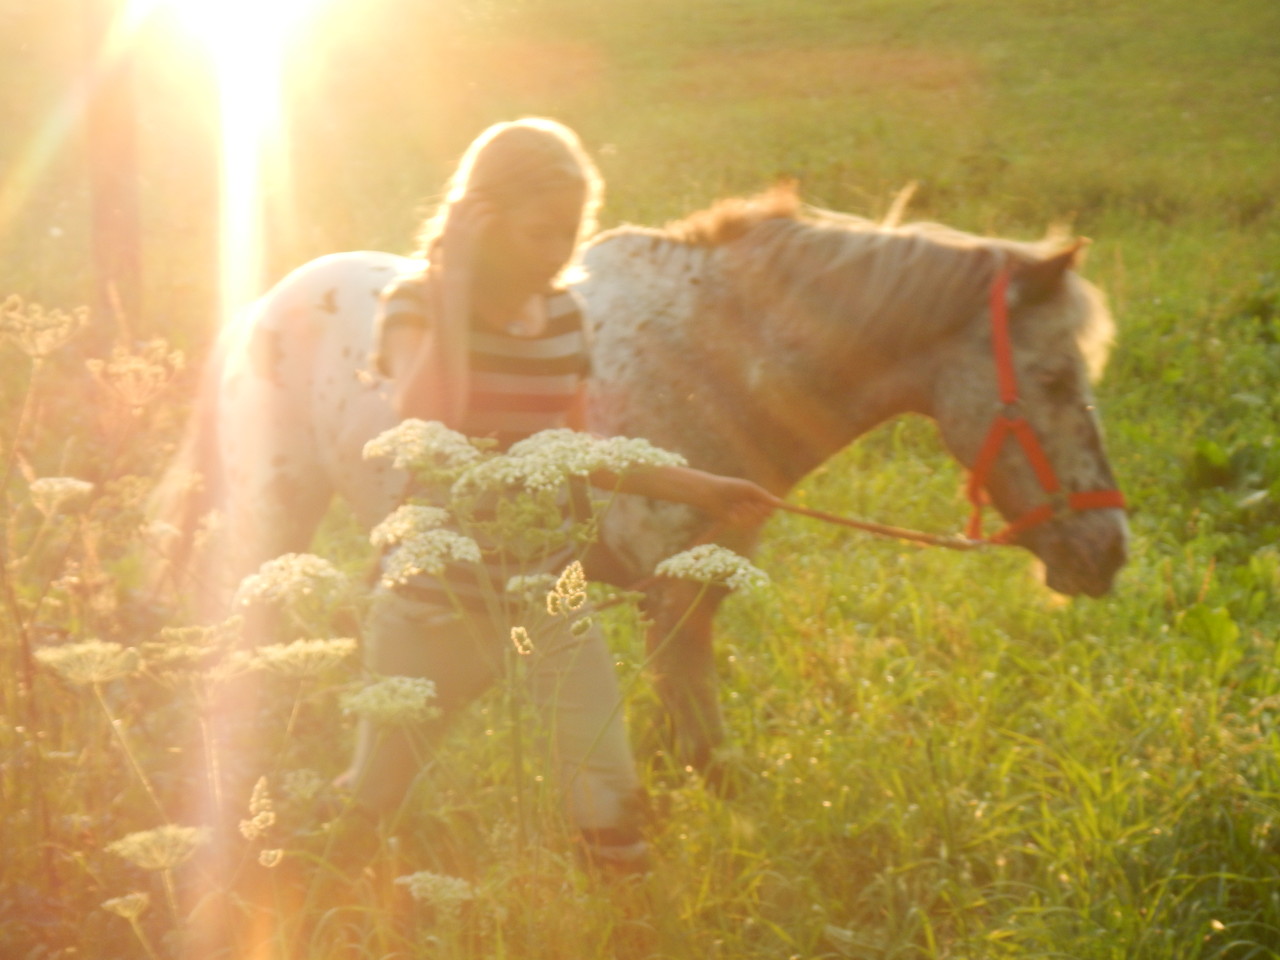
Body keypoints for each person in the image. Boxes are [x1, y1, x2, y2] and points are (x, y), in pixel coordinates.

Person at [339, 118, 779, 872]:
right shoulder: (417, 304)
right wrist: (452, 293)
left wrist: (697, 487)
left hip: (549, 590)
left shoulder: (567, 314)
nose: (555, 254)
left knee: (609, 794)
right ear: (482, 219)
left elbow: (576, 449)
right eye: (538, 233)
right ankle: (312, 894)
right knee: (374, 796)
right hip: (436, 597)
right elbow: (426, 422)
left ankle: (628, 927)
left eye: (569, 234)